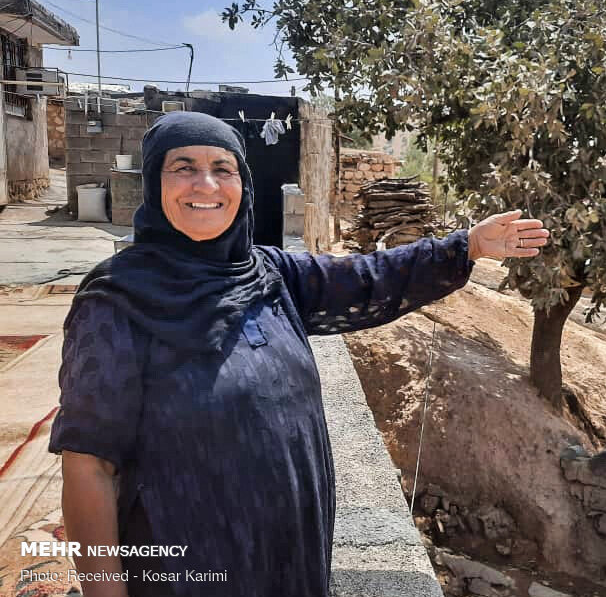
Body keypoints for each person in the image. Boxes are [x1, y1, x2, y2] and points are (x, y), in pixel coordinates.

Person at [48, 111, 550, 597]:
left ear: (242, 184)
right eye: (183, 168)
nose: (206, 185)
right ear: (154, 185)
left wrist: (467, 247)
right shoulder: (117, 301)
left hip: (290, 557)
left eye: (223, 169)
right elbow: (89, 468)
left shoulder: (270, 274)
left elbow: (370, 277)